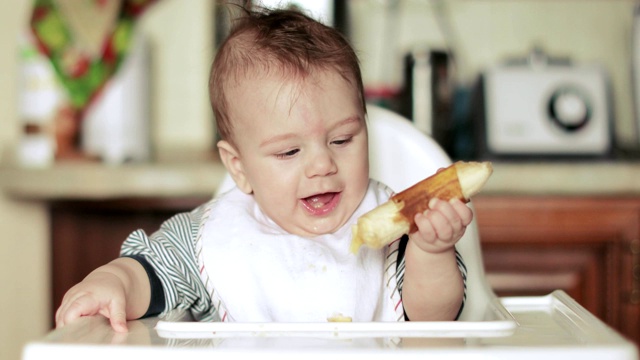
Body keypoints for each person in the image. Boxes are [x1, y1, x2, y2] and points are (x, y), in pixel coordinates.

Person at [55, 7, 473, 333]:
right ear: (239, 168)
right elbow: (150, 271)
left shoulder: (397, 228)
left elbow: (433, 322)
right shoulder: (216, 236)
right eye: (289, 152)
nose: (323, 165)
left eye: (342, 140)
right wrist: (113, 282)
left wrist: (432, 252)